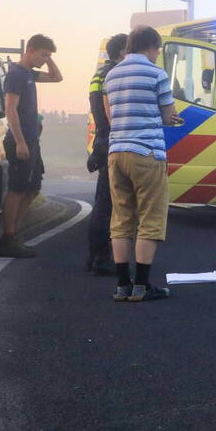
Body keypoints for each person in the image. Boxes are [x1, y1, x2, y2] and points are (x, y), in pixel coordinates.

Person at [104, 26, 178, 301]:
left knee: (121, 220)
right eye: (158, 49)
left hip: (116, 153)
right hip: (146, 152)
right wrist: (171, 118)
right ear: (151, 46)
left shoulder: (112, 75)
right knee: (150, 219)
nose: (158, 54)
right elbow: (168, 115)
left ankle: (123, 285)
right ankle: (142, 286)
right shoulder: (156, 74)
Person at [0, 34, 63, 257]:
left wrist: (49, 58)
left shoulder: (28, 74)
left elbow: (57, 78)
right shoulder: (16, 74)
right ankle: (8, 237)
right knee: (17, 188)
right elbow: (10, 109)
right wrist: (20, 142)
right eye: (43, 55)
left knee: (33, 187)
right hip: (20, 140)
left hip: (32, 140)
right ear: (31, 50)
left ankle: (14, 231)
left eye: (48, 56)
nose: (45, 60)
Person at [84, 33, 128, 275]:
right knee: (108, 205)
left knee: (103, 203)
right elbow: (112, 113)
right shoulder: (116, 74)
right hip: (113, 141)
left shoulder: (100, 74)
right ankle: (101, 257)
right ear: (122, 51)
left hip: (103, 140)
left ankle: (95, 255)